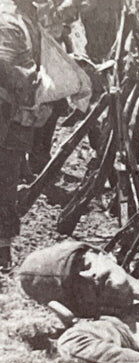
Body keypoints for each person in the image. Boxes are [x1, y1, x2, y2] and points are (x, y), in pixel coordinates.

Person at [0, 0, 52, 270]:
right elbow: (9, 69)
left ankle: (2, 248)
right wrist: (30, 82)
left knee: (7, 179)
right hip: (8, 108)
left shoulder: (26, 16)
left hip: (15, 113)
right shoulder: (8, 19)